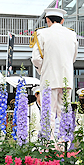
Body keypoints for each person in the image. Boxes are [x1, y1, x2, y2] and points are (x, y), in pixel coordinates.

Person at [31, 8, 78, 144]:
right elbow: (73, 58)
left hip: (49, 79)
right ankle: (65, 144)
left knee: (48, 113)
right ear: (62, 21)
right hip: (66, 79)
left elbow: (36, 59)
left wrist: (43, 70)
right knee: (64, 112)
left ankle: (48, 144)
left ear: (47, 20)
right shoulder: (71, 34)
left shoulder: (42, 33)